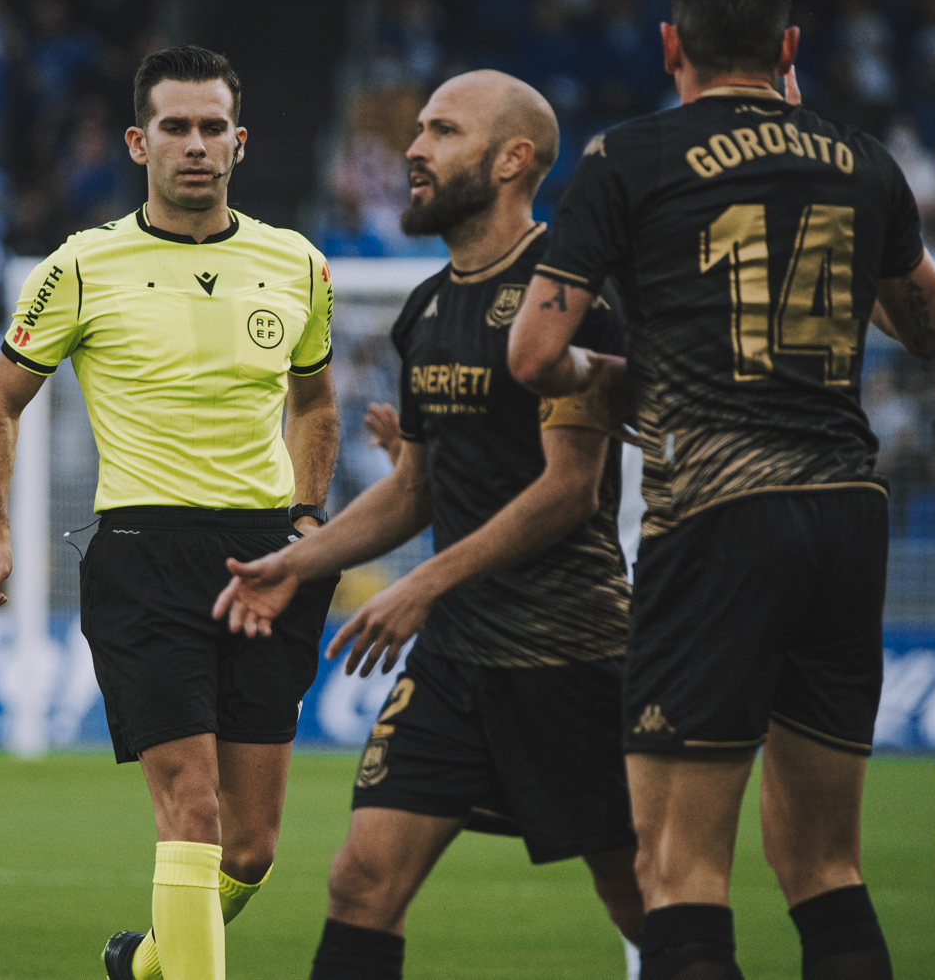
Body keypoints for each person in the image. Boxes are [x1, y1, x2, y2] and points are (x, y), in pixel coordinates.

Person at [507, 0, 935, 978]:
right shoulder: (864, 162)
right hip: (846, 515)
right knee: (824, 862)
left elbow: (536, 355)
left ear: (673, 47)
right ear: (789, 46)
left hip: (716, 515)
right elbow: (929, 328)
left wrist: (621, 380)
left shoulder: (627, 159)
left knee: (679, 869)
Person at [213, 70, 645, 980]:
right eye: (418, 130)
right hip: (457, 663)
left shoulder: (566, 297)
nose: (412, 148)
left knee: (642, 890)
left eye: (442, 132)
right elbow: (417, 488)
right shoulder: (427, 309)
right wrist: (296, 561)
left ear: (511, 159)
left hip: (571, 654)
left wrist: (422, 583)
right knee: (361, 879)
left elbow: (570, 491)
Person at [0, 47, 340, 980]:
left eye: (214, 127)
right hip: (143, 550)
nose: (197, 145)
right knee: (192, 814)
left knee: (250, 850)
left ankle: (147, 967)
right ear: (140, 141)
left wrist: (303, 523)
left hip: (268, 557)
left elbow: (318, 404)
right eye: (176, 126)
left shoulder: (296, 263)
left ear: (240, 142)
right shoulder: (80, 266)